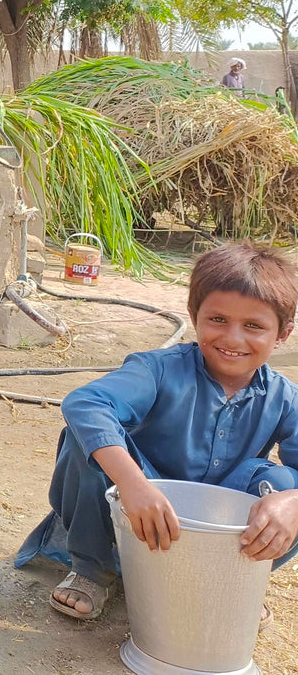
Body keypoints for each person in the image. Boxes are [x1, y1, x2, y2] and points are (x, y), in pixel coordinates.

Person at [16, 243, 298, 625]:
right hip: (133, 515)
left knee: (282, 484)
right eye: (217, 320)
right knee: (85, 440)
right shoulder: (159, 369)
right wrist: (132, 484)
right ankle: (94, 571)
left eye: (253, 326)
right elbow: (86, 404)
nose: (232, 339)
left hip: (213, 532)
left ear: (283, 333)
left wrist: (290, 502)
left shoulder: (284, 398)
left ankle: (231, 581)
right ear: (193, 316)